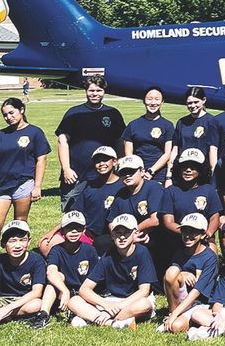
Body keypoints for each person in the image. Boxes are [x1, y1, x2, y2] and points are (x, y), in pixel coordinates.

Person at [0, 98, 49, 268]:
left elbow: (41, 160)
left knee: (20, 224)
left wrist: (37, 186)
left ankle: (18, 260)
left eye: (11, 113)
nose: (8, 117)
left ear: (22, 110)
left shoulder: (35, 133)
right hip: (1, 186)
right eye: (5, 115)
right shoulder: (0, 135)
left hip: (24, 184)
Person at [69, 214, 157, 329]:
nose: (122, 237)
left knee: (144, 305)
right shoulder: (108, 255)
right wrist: (106, 305)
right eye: (118, 233)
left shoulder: (142, 253)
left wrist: (116, 308)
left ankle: (93, 319)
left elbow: (144, 291)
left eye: (126, 232)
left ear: (135, 233)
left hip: (132, 301)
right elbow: (84, 289)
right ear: (112, 235)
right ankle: (114, 323)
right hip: (110, 300)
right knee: (74, 301)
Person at [55, 75, 125, 212]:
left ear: (104, 91)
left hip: (105, 173)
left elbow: (120, 141)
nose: (95, 94)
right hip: (77, 174)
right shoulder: (74, 113)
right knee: (72, 214)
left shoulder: (112, 113)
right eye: (91, 91)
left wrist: (120, 164)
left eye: (98, 90)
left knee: (103, 211)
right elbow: (62, 140)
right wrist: (66, 169)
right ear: (86, 91)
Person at [38, 146, 120, 256]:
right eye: (97, 161)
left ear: (114, 162)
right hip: (86, 232)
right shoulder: (90, 185)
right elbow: (75, 211)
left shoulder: (123, 185)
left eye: (105, 160)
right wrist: (53, 231)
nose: (101, 164)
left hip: (111, 235)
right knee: (45, 245)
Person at [160, 213, 219, 334]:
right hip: (182, 300)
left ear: (203, 234)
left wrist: (175, 315)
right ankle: (173, 312)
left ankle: (178, 317)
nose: (188, 236)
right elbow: (168, 280)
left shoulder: (210, 257)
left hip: (201, 303)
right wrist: (182, 274)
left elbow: (197, 291)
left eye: (193, 232)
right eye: (185, 231)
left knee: (175, 327)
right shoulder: (179, 253)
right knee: (171, 271)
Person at [43, 211, 100, 322]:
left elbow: (95, 276)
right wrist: (65, 291)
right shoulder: (57, 250)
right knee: (57, 277)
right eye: (69, 228)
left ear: (84, 230)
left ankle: (77, 314)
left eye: (78, 228)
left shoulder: (89, 250)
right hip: (62, 293)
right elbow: (51, 271)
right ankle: (43, 314)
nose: (74, 231)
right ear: (62, 231)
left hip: (83, 292)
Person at [159, 149, 222, 247]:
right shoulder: (170, 191)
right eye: (184, 167)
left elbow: (215, 217)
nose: (188, 170)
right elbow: (168, 222)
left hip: (203, 238)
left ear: (201, 169)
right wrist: (187, 234)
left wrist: (208, 233)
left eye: (193, 167)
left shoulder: (209, 190)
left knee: (212, 250)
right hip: (178, 239)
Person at [122, 86, 174, 186]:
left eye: (157, 99)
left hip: (158, 174)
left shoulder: (168, 125)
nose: (153, 103)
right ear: (144, 101)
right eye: (149, 99)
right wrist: (138, 170)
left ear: (162, 102)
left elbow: (167, 153)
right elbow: (128, 153)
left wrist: (151, 171)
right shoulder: (133, 125)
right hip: (136, 172)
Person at [171, 86, 220, 176]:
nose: (193, 106)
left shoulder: (211, 121)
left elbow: (213, 149)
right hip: (183, 169)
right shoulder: (181, 122)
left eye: (196, 102)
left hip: (202, 170)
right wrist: (169, 174)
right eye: (189, 103)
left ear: (204, 100)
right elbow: (175, 148)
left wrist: (214, 172)